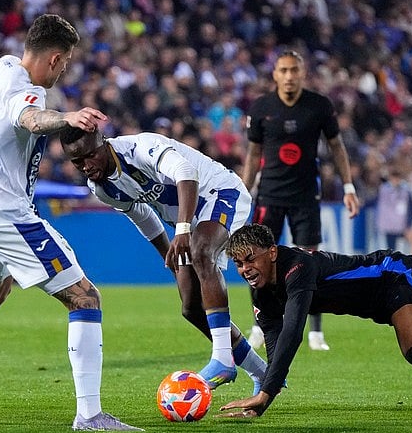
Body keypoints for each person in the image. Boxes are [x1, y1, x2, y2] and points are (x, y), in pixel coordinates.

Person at [0, 14, 139, 432]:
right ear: (54, 59)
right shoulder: (25, 92)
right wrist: (68, 118)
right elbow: (32, 120)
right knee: (85, 297)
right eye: (66, 62)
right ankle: (89, 415)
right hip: (6, 213)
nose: (66, 69)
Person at [215, 220, 412, 421]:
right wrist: (272, 382)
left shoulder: (297, 267)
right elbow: (275, 337)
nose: (245, 269)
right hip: (379, 304)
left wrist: (266, 393)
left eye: (250, 259)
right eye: (238, 264)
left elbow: (293, 331)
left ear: (271, 252)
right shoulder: (261, 291)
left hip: (393, 275)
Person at [59, 125, 269, 392]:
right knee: (191, 307)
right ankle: (261, 372)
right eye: (76, 162)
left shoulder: (140, 148)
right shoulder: (102, 188)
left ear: (103, 143)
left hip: (221, 192)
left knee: (202, 251)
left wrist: (181, 230)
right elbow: (143, 216)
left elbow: (186, 174)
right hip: (191, 222)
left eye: (89, 156)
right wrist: (170, 258)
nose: (85, 166)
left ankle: (222, 359)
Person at [241, 49, 361, 351]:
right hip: (269, 194)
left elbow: (337, 146)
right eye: (284, 70)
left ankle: (316, 332)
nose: (289, 76)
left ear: (302, 73)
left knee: (310, 261)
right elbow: (253, 154)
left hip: (306, 195)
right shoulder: (261, 107)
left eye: (294, 70)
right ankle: (259, 325)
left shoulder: (319, 106)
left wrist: (348, 187)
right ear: (275, 75)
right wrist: (244, 192)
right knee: (256, 262)